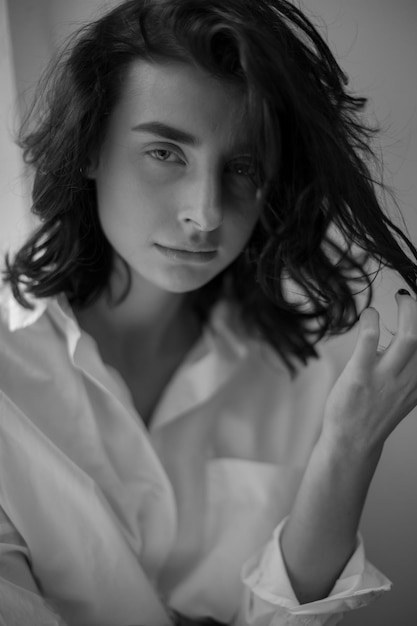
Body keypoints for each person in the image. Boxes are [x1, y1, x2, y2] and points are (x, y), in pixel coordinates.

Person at [1, 0, 416, 624]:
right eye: (166, 152)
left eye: (242, 166)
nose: (208, 212)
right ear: (89, 147)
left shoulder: (308, 382)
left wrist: (352, 446)